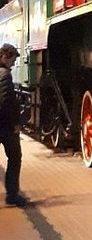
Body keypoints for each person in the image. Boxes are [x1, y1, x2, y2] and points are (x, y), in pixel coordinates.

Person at [0, 43, 26, 206]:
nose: (13, 64)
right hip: (5, 126)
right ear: (4, 57)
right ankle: (12, 195)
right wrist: (15, 124)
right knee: (15, 157)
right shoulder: (4, 75)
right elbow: (6, 102)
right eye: (12, 61)